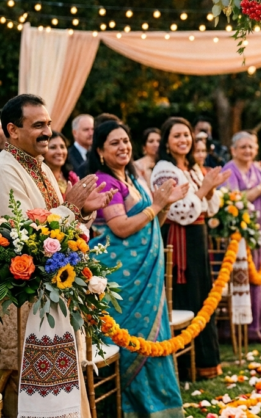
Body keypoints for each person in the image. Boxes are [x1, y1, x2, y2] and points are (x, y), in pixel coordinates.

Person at [0, 94, 114, 418]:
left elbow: (57, 223)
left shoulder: (42, 167)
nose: (48, 132)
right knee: (23, 385)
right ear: (13, 130)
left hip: (51, 297)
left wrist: (82, 211)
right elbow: (22, 236)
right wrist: (71, 208)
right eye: (38, 125)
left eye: (48, 124)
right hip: (23, 304)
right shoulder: (5, 169)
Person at [88, 120, 189, 418]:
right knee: (131, 340)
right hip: (124, 279)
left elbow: (151, 223)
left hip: (147, 277)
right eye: (114, 143)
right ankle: (131, 408)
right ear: (100, 151)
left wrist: (165, 205)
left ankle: (161, 407)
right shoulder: (105, 181)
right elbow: (120, 227)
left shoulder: (132, 178)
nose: (123, 147)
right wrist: (156, 206)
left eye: (125, 141)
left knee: (154, 338)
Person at [151, 117, 231, 379]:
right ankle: (188, 365)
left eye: (186, 135)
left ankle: (207, 361)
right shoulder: (164, 170)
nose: (183, 140)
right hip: (179, 240)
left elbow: (210, 208)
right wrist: (203, 189)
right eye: (177, 136)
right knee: (188, 295)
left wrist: (209, 190)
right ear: (166, 142)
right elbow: (177, 211)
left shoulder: (192, 167)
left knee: (203, 294)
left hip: (198, 237)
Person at [220, 131, 261, 343]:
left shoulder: (257, 170)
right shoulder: (229, 171)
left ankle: (258, 328)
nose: (248, 151)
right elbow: (234, 200)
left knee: (258, 277)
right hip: (239, 235)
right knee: (242, 278)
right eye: (243, 147)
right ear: (233, 150)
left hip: (260, 231)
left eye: (251, 147)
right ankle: (239, 330)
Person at [45, 131, 79, 197]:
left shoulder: (71, 177)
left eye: (62, 147)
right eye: (53, 147)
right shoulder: (40, 179)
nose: (60, 152)